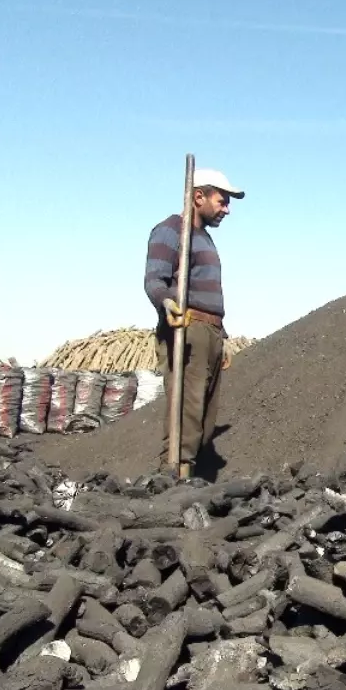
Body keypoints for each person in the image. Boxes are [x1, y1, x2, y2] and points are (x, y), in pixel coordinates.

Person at [143, 168, 245, 478]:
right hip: (188, 328)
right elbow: (154, 279)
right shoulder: (171, 230)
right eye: (222, 200)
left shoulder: (204, 239)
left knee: (205, 411)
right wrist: (167, 302)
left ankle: (195, 475)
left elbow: (210, 293)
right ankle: (175, 476)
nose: (226, 209)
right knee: (188, 406)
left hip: (210, 331)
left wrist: (222, 336)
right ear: (198, 195)